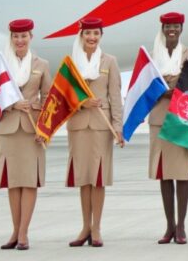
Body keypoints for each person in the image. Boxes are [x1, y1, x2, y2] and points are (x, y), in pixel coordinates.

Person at [66, 17, 124, 248]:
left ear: (101, 36)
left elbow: (115, 96)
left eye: (96, 34)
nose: (91, 38)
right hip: (79, 126)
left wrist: (118, 127)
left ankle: (97, 227)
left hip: (102, 126)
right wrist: (81, 104)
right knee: (84, 179)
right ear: (81, 35)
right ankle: (85, 227)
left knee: (98, 179)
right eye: (87, 34)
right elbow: (65, 97)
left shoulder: (109, 61)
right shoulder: (71, 63)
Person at [0, 18, 51, 251]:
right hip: (8, 129)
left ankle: (24, 233)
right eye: (16, 37)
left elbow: (49, 99)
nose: (20, 40)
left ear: (31, 38)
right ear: (11, 39)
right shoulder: (1, 64)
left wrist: (45, 129)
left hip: (32, 130)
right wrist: (12, 106)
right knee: (13, 183)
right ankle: (15, 231)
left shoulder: (42, 64)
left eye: (24, 36)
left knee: (29, 182)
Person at [147, 11, 188, 245]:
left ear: (181, 28)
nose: (172, 29)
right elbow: (145, 89)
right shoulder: (151, 57)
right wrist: (161, 92)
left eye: (176, 26)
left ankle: (181, 226)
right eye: (168, 25)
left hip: (182, 119)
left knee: (182, 173)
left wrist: (178, 92)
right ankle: (169, 226)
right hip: (159, 118)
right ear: (162, 28)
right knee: (165, 174)